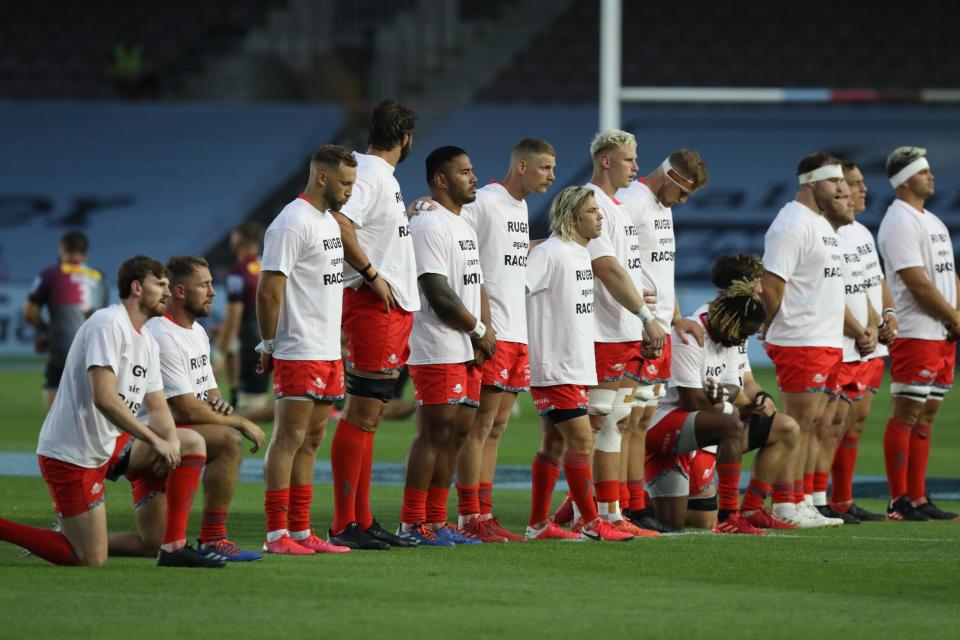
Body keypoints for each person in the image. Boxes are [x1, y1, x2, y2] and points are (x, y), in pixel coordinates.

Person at [0, 256, 223, 568]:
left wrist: (169, 441)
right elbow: (104, 398)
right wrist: (156, 442)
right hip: (71, 454)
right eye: (159, 285)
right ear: (135, 287)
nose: (167, 292)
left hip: (108, 447)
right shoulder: (107, 324)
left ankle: (173, 547)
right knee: (89, 558)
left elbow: (158, 406)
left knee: (190, 442)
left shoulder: (147, 341)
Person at [554, 130, 665, 537]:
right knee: (601, 424)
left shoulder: (616, 208)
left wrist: (642, 303)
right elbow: (606, 267)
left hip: (622, 328)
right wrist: (642, 313)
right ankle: (600, 515)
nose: (636, 167)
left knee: (614, 421)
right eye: (629, 159)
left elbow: (623, 268)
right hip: (603, 330)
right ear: (605, 161)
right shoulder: (591, 203)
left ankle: (606, 512)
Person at [120, 256, 264, 561]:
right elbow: (186, 409)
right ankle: (214, 538)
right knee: (228, 441)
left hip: (172, 440)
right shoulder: (162, 334)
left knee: (152, 544)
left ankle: (67, 538)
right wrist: (238, 421)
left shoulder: (197, 332)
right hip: (149, 442)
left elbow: (208, 392)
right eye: (205, 285)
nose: (213, 291)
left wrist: (219, 403)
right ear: (181, 292)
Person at [453, 137, 556, 543]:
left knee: (495, 428)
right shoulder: (484, 200)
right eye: (545, 167)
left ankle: (485, 512)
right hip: (492, 329)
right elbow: (448, 228)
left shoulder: (521, 206)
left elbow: (505, 256)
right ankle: (469, 516)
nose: (552, 175)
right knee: (479, 427)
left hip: (518, 331)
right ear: (522, 167)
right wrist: (421, 204)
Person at [328, 100, 420, 550]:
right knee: (361, 413)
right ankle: (346, 522)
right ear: (406, 138)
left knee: (371, 415)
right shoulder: (369, 174)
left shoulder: (378, 175)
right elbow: (341, 222)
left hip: (387, 306)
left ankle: (361, 519)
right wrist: (371, 274)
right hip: (371, 304)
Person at [257, 145, 357, 555]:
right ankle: (276, 533)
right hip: (299, 348)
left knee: (313, 439)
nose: (349, 191)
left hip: (327, 350)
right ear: (322, 178)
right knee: (288, 438)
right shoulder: (291, 222)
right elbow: (269, 289)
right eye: (345, 183)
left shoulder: (328, 223)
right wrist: (268, 343)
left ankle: (300, 530)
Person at [397, 146, 495, 546]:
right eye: (465, 172)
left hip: (467, 345)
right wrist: (477, 330)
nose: (473, 177)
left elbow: (475, 283)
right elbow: (436, 290)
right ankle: (411, 522)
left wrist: (483, 333)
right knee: (434, 433)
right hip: (438, 343)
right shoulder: (429, 225)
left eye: (472, 170)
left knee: (457, 434)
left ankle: (437, 521)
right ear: (441, 180)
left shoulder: (462, 224)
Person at [525, 187, 633, 542]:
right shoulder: (551, 253)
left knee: (553, 446)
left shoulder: (578, 254)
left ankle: (538, 524)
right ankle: (591, 522)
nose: (599, 215)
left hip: (573, 365)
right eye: (591, 211)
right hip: (556, 365)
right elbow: (518, 290)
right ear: (573, 218)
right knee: (582, 440)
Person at [615, 149, 708, 533]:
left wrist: (676, 316)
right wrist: (641, 308)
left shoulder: (662, 207)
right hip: (634, 327)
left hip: (659, 328)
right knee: (624, 419)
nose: (683, 202)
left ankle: (636, 503)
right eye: (683, 193)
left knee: (641, 418)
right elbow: (613, 262)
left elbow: (661, 268)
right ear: (670, 177)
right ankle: (616, 503)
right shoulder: (631, 202)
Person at [761, 152, 848, 528]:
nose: (842, 188)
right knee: (797, 423)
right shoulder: (791, 224)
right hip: (802, 339)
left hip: (826, 339)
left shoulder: (821, 225)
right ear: (811, 182)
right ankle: (784, 504)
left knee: (813, 424)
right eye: (835, 182)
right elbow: (772, 285)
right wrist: (770, 327)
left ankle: (799, 499)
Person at [877, 146, 959, 521]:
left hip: (941, 331)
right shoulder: (899, 222)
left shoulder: (933, 221)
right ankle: (900, 501)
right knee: (907, 414)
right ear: (906, 179)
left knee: (927, 416)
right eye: (924, 172)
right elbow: (916, 283)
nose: (932, 177)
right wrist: (954, 319)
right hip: (916, 331)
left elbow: (948, 276)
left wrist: (956, 316)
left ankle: (920, 497)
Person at [828, 163, 891, 521]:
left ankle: (843, 499)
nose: (863, 190)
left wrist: (887, 317)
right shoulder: (831, 234)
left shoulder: (863, 233)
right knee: (831, 423)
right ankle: (817, 495)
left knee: (856, 421)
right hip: (843, 341)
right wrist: (861, 329)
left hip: (870, 339)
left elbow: (875, 283)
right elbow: (835, 292)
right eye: (855, 184)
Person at [23, 231, 107, 408]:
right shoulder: (99, 278)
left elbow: (29, 312)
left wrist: (46, 332)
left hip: (63, 349)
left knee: (55, 410)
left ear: (62, 251)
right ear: (85, 254)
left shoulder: (51, 274)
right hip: (95, 351)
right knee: (89, 412)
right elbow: (102, 317)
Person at [217, 221, 273, 421]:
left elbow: (233, 317)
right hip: (266, 337)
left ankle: (295, 409)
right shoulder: (265, 266)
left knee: (248, 412)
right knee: (252, 401)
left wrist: (219, 354)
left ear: (238, 240)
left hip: (249, 342)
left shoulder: (238, 273)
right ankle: (234, 396)